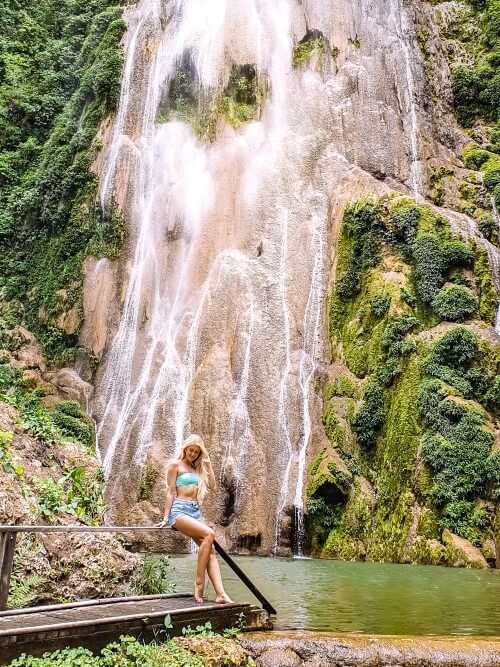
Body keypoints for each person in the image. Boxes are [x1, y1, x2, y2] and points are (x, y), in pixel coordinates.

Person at [158, 434, 233, 604]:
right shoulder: (175, 465)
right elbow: (170, 491)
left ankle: (221, 594)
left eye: (196, 452)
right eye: (191, 450)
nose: (192, 454)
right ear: (185, 448)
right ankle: (199, 582)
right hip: (180, 511)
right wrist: (165, 517)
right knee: (209, 534)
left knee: (211, 551)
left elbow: (213, 486)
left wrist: (208, 463)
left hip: (194, 511)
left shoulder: (197, 468)